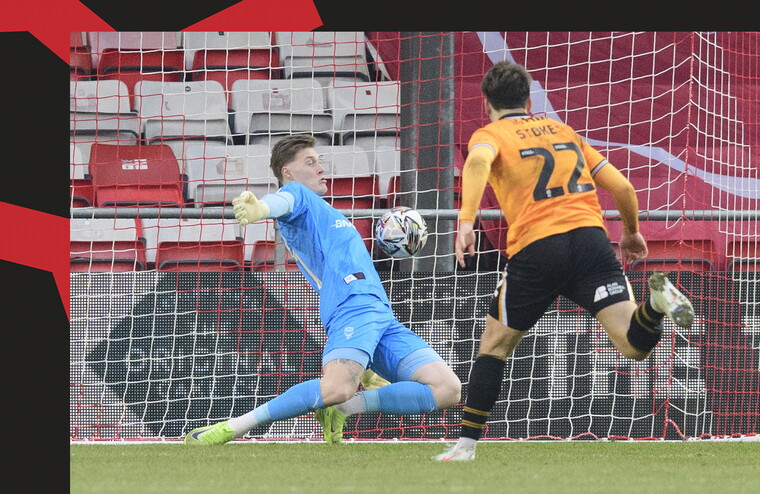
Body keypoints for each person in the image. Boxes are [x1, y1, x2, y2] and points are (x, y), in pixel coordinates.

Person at [433, 61, 695, 461]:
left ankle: (466, 446)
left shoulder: (490, 135)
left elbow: (478, 162)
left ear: (487, 103)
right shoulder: (564, 132)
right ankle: (657, 304)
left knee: (494, 346)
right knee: (632, 344)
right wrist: (631, 232)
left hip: (538, 247)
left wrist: (466, 220)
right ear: (529, 101)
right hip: (591, 241)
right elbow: (624, 187)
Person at [184, 134, 461, 445]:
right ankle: (234, 427)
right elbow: (282, 201)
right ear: (287, 172)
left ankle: (345, 408)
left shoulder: (323, 213)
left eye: (319, 161)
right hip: (352, 305)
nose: (320, 168)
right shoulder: (297, 194)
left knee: (447, 389)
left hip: (380, 314)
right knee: (335, 388)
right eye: (310, 162)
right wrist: (261, 208)